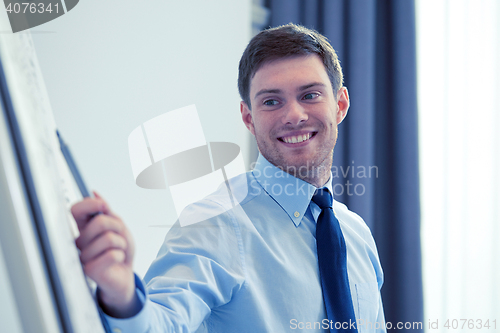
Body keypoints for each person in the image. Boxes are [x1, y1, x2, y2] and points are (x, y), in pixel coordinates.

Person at [72, 24, 386, 332]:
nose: (293, 115)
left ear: (340, 105)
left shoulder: (358, 235)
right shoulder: (215, 223)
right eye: (271, 101)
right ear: (249, 118)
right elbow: (160, 324)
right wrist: (122, 295)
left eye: (310, 95)